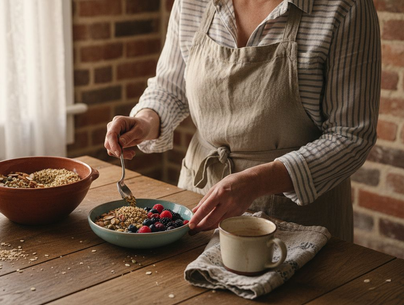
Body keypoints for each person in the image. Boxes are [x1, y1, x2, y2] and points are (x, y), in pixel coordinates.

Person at [104, 0, 381, 242]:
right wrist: (145, 120)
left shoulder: (344, 7)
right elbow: (170, 88)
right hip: (199, 200)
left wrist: (257, 182)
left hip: (297, 218)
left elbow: (351, 136)